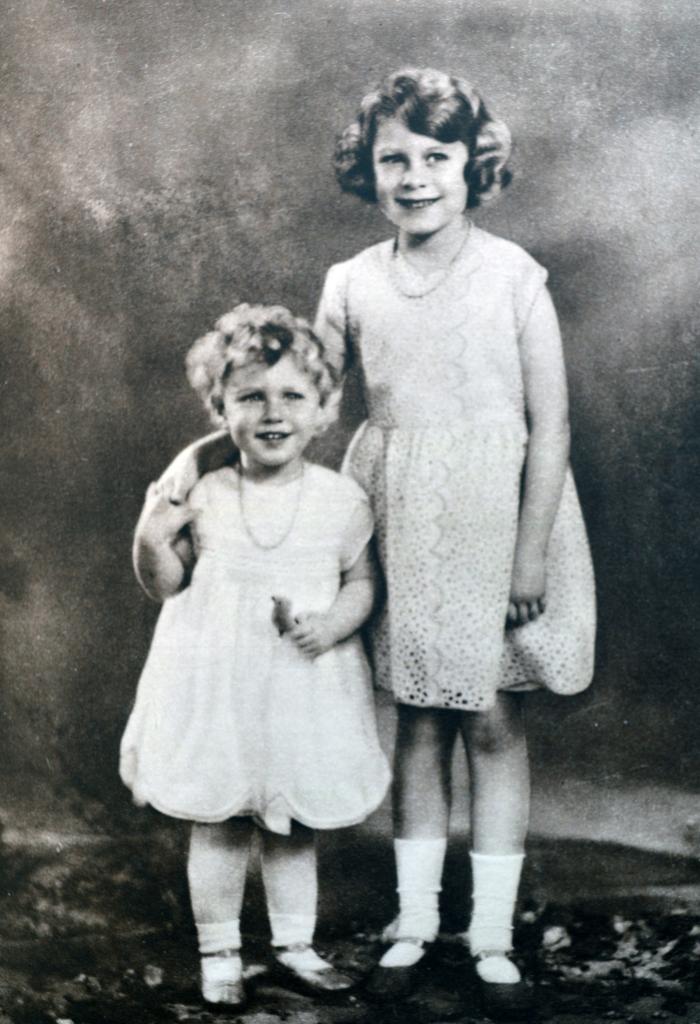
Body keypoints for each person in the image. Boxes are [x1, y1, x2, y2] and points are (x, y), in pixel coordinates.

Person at [310, 67, 596, 1016]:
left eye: (437, 157)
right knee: (419, 722)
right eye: (396, 158)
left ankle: (488, 931)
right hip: (400, 520)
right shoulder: (351, 282)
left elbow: (549, 427)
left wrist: (527, 554)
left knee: (491, 721)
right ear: (371, 169)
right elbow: (306, 407)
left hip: (497, 519)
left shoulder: (513, 276)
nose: (416, 176)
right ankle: (416, 921)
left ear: (475, 164)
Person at [120, 304, 390, 1008]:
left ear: (326, 407)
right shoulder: (204, 494)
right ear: (220, 408)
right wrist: (152, 537)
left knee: (292, 822)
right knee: (221, 818)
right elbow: (165, 584)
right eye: (250, 397)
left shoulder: (341, 501)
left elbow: (364, 582)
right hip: (217, 680)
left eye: (294, 396)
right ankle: (220, 955)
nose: (274, 413)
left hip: (303, 681)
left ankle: (294, 947)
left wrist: (333, 624)